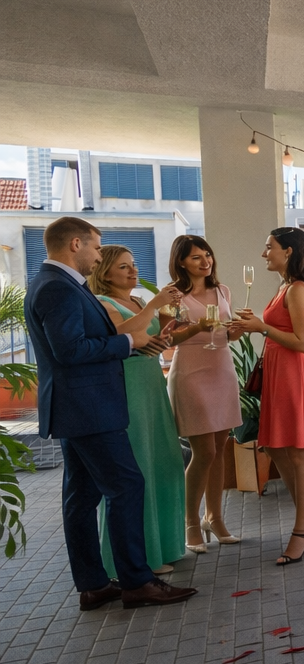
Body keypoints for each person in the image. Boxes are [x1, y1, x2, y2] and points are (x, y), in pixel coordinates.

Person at [24, 217, 197, 610]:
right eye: (96, 248)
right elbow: (70, 352)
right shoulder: (57, 287)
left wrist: (131, 342)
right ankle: (137, 581)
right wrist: (124, 343)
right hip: (89, 406)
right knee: (126, 486)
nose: (98, 255)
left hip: (77, 407)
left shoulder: (55, 283)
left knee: (81, 497)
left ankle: (94, 584)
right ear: (75, 244)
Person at [86, 246, 188, 575]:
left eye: (133, 265)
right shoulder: (103, 303)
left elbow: (146, 339)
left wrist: (166, 334)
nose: (132, 272)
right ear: (104, 272)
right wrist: (157, 305)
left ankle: (167, 544)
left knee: (165, 462)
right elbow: (122, 333)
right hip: (127, 388)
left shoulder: (140, 301)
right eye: (123, 267)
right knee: (138, 466)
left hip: (152, 385)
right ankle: (136, 559)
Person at [237, 226, 304, 565]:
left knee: (298, 452)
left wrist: (261, 327)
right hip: (280, 372)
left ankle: (302, 530)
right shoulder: (285, 286)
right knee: (277, 448)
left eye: (269, 247)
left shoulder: (298, 289)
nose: (265, 253)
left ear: (288, 251)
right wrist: (256, 327)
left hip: (293, 373)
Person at [164, 234, 244, 550]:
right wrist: (198, 329)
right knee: (205, 451)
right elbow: (168, 341)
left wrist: (235, 332)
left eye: (207, 254)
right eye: (196, 256)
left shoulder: (223, 290)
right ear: (181, 261)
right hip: (191, 374)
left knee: (220, 449)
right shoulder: (171, 295)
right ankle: (191, 523)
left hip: (222, 370)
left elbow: (227, 334)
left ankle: (215, 518)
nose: (205, 260)